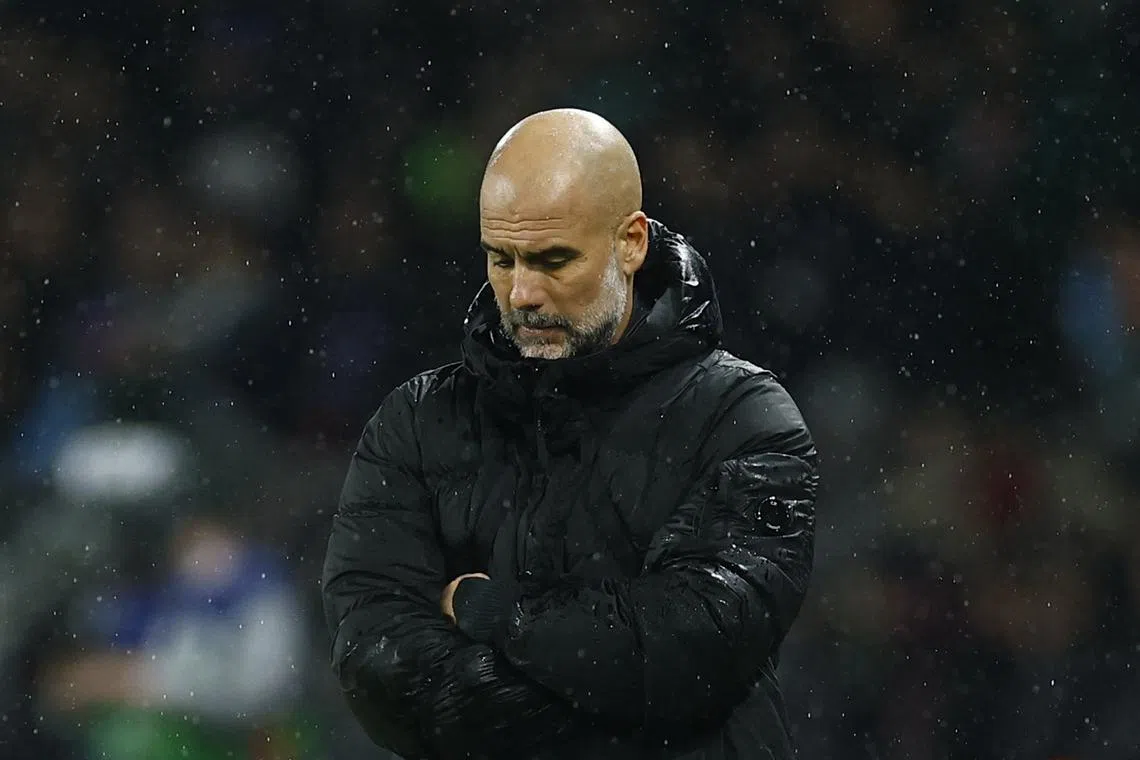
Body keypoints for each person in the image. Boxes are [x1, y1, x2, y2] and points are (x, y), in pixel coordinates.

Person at [321, 108, 818, 760]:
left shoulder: (744, 418)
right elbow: (378, 664)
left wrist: (491, 614)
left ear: (632, 242)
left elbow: (693, 651)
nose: (522, 292)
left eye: (554, 260)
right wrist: (607, 697)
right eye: (502, 260)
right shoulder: (416, 423)